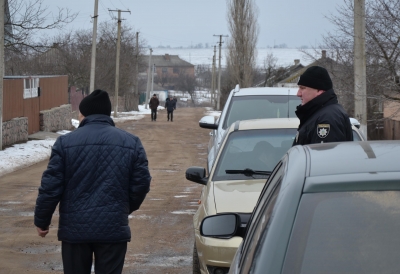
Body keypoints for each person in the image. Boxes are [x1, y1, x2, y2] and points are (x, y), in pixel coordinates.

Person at [34, 89, 151, 274]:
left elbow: (51, 186)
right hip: (113, 229)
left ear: (84, 113)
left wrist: (42, 220)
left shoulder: (65, 143)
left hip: (74, 231)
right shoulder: (131, 142)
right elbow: (142, 183)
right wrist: (123, 207)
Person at [292, 66, 353, 146]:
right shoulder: (318, 114)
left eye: (302, 88)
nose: (298, 94)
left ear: (319, 91)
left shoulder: (327, 118)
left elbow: (324, 156)